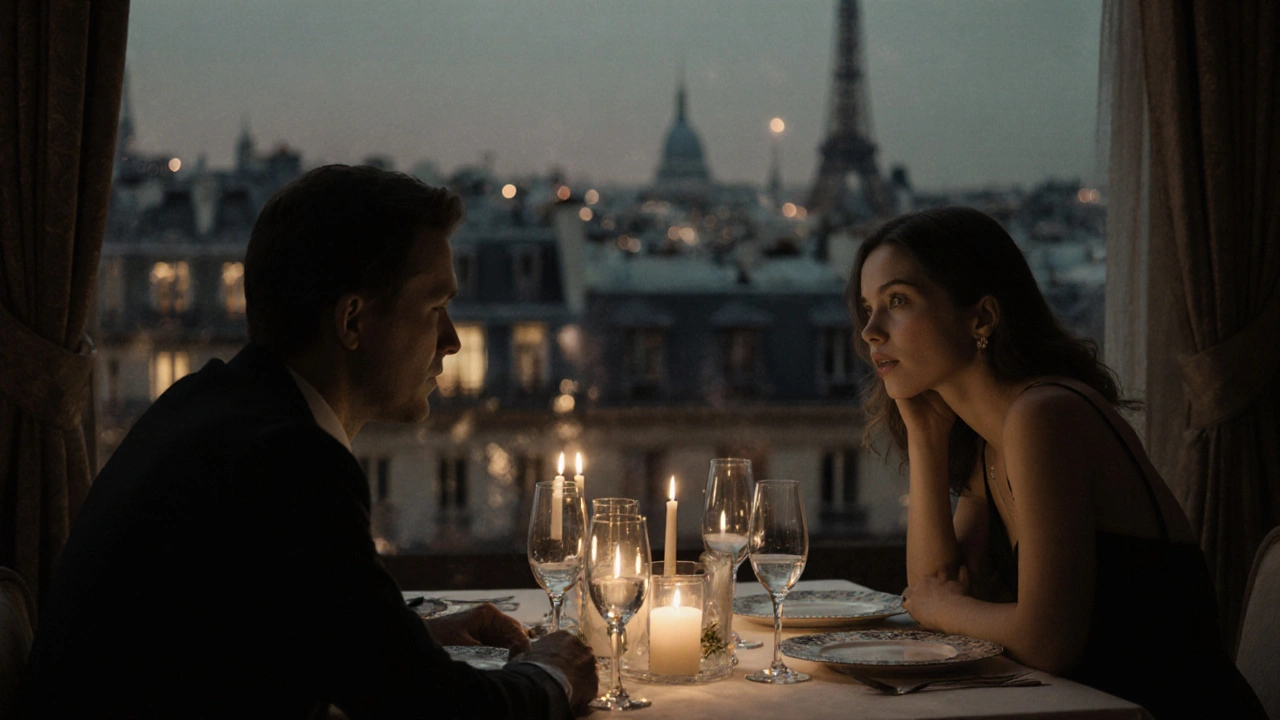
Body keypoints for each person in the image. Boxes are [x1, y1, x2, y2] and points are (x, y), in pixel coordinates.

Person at [20, 165, 597, 719]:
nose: (451, 341)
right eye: (435, 308)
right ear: (351, 322)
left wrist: (406, 636)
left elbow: (260, 632)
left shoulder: (208, 405)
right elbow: (435, 708)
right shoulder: (291, 464)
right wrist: (553, 672)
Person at [850, 207, 1264, 719]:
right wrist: (925, 440)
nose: (870, 330)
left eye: (897, 301)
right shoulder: (991, 439)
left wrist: (945, 608)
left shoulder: (1044, 415)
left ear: (981, 317)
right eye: (867, 307)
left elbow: (1043, 641)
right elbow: (939, 586)